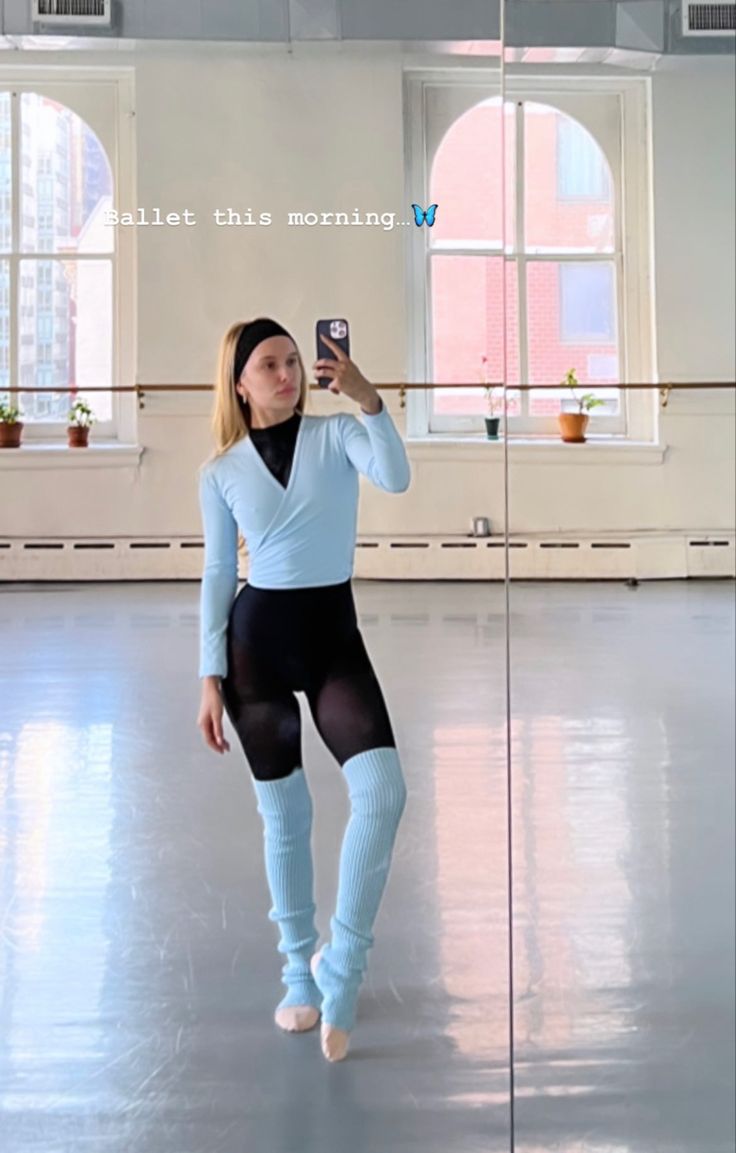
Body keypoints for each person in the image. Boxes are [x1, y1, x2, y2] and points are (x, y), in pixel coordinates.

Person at [196, 317, 411, 1062]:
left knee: (382, 791)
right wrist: (209, 674)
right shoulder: (219, 471)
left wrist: (368, 399)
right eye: (270, 364)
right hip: (255, 647)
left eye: (294, 360)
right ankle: (297, 968)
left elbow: (396, 475)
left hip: (332, 643)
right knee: (285, 814)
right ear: (240, 382)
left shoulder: (338, 435)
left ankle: (341, 964)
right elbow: (219, 576)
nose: (287, 373)